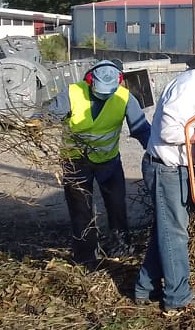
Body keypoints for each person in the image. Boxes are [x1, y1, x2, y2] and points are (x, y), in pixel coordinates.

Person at [134, 41, 195, 315]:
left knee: (165, 231)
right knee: (175, 234)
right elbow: (168, 131)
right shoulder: (189, 86)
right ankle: (178, 297)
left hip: (178, 167)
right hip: (165, 167)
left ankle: (145, 287)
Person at [38, 59, 151, 267]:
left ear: (118, 82)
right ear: (90, 80)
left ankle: (120, 247)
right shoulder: (72, 93)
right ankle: (85, 256)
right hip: (76, 162)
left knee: (117, 207)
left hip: (109, 163)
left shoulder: (125, 97)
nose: (106, 96)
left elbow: (142, 129)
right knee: (81, 211)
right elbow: (47, 117)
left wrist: (157, 151)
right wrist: (34, 122)